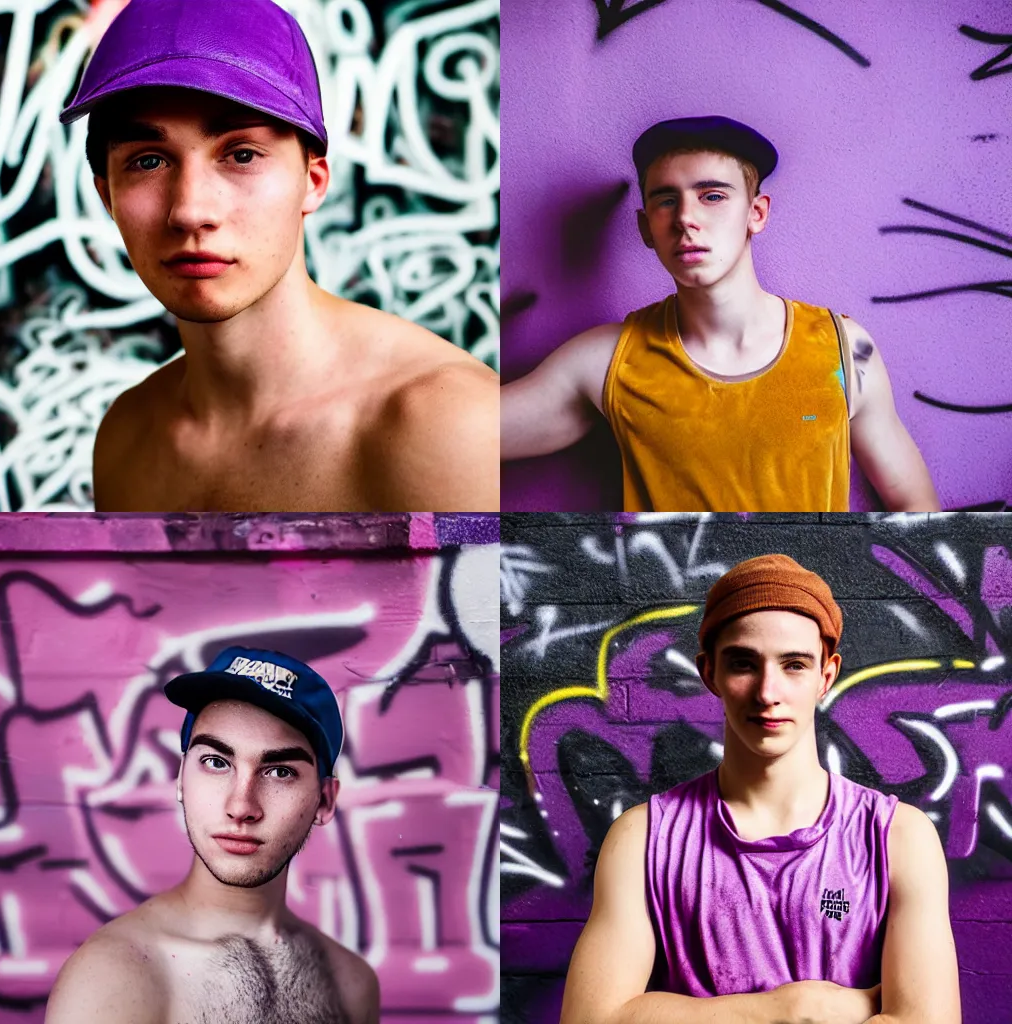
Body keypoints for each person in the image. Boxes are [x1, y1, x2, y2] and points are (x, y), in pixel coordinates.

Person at [59, 0, 498, 513]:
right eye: (149, 161)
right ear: (107, 196)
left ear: (312, 183)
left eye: (241, 154)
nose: (191, 210)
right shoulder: (127, 439)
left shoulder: (445, 425)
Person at [559, 555, 960, 1024]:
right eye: (744, 663)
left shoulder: (898, 838)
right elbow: (591, 1020)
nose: (768, 691)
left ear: (825, 677)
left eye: (794, 665)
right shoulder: (643, 838)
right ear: (710, 673)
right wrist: (791, 1010)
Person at [501, 116, 939, 513]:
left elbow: (916, 509)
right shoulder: (607, 361)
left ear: (756, 213)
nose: (687, 218)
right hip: (673, 601)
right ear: (645, 227)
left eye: (712, 196)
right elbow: (464, 435)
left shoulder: (844, 349)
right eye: (666, 200)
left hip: (807, 599)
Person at [45, 646, 379, 1024]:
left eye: (280, 772)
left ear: (324, 800)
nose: (241, 806)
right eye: (216, 763)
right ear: (181, 778)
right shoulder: (114, 979)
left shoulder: (352, 983)